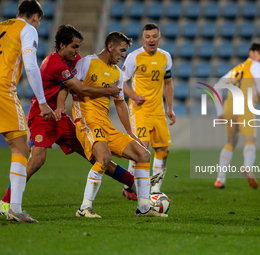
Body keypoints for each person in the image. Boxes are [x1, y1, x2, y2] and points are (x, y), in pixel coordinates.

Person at [0, 24, 152, 218]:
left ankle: (132, 183)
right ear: (62, 46)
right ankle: (6, 203)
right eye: (74, 47)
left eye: (79, 47)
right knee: (37, 160)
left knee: (97, 154)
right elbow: (80, 89)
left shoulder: (77, 60)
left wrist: (62, 107)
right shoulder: (53, 64)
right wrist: (108, 91)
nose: (77, 52)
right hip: (43, 115)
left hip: (61, 118)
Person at [72, 31, 167, 217]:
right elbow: (69, 85)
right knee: (104, 158)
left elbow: (120, 102)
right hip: (87, 121)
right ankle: (84, 208)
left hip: (105, 125)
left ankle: (144, 208)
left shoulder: (116, 73)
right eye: (122, 50)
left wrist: (130, 132)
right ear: (110, 47)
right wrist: (60, 106)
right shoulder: (87, 63)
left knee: (143, 154)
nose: (123, 55)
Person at [0, 0, 55, 223]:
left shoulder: (2, 26)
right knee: (21, 148)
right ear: (35, 17)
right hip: (3, 91)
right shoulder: (28, 29)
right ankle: (14, 208)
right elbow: (31, 66)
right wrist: (42, 102)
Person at [121, 23, 176, 200]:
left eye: (154, 36)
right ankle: (129, 186)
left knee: (163, 149)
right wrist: (134, 96)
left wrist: (170, 108)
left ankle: (155, 190)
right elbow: (121, 82)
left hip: (158, 110)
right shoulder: (134, 57)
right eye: (148, 36)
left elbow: (168, 83)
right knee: (141, 149)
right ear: (143, 39)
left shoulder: (166, 57)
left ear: (159, 38)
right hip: (140, 110)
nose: (151, 39)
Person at [213, 42, 260, 189]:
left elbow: (217, 87)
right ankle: (247, 166)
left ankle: (220, 178)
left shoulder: (237, 69)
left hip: (230, 107)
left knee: (230, 142)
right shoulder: (256, 66)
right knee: (250, 140)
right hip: (245, 107)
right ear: (251, 52)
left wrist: (220, 112)